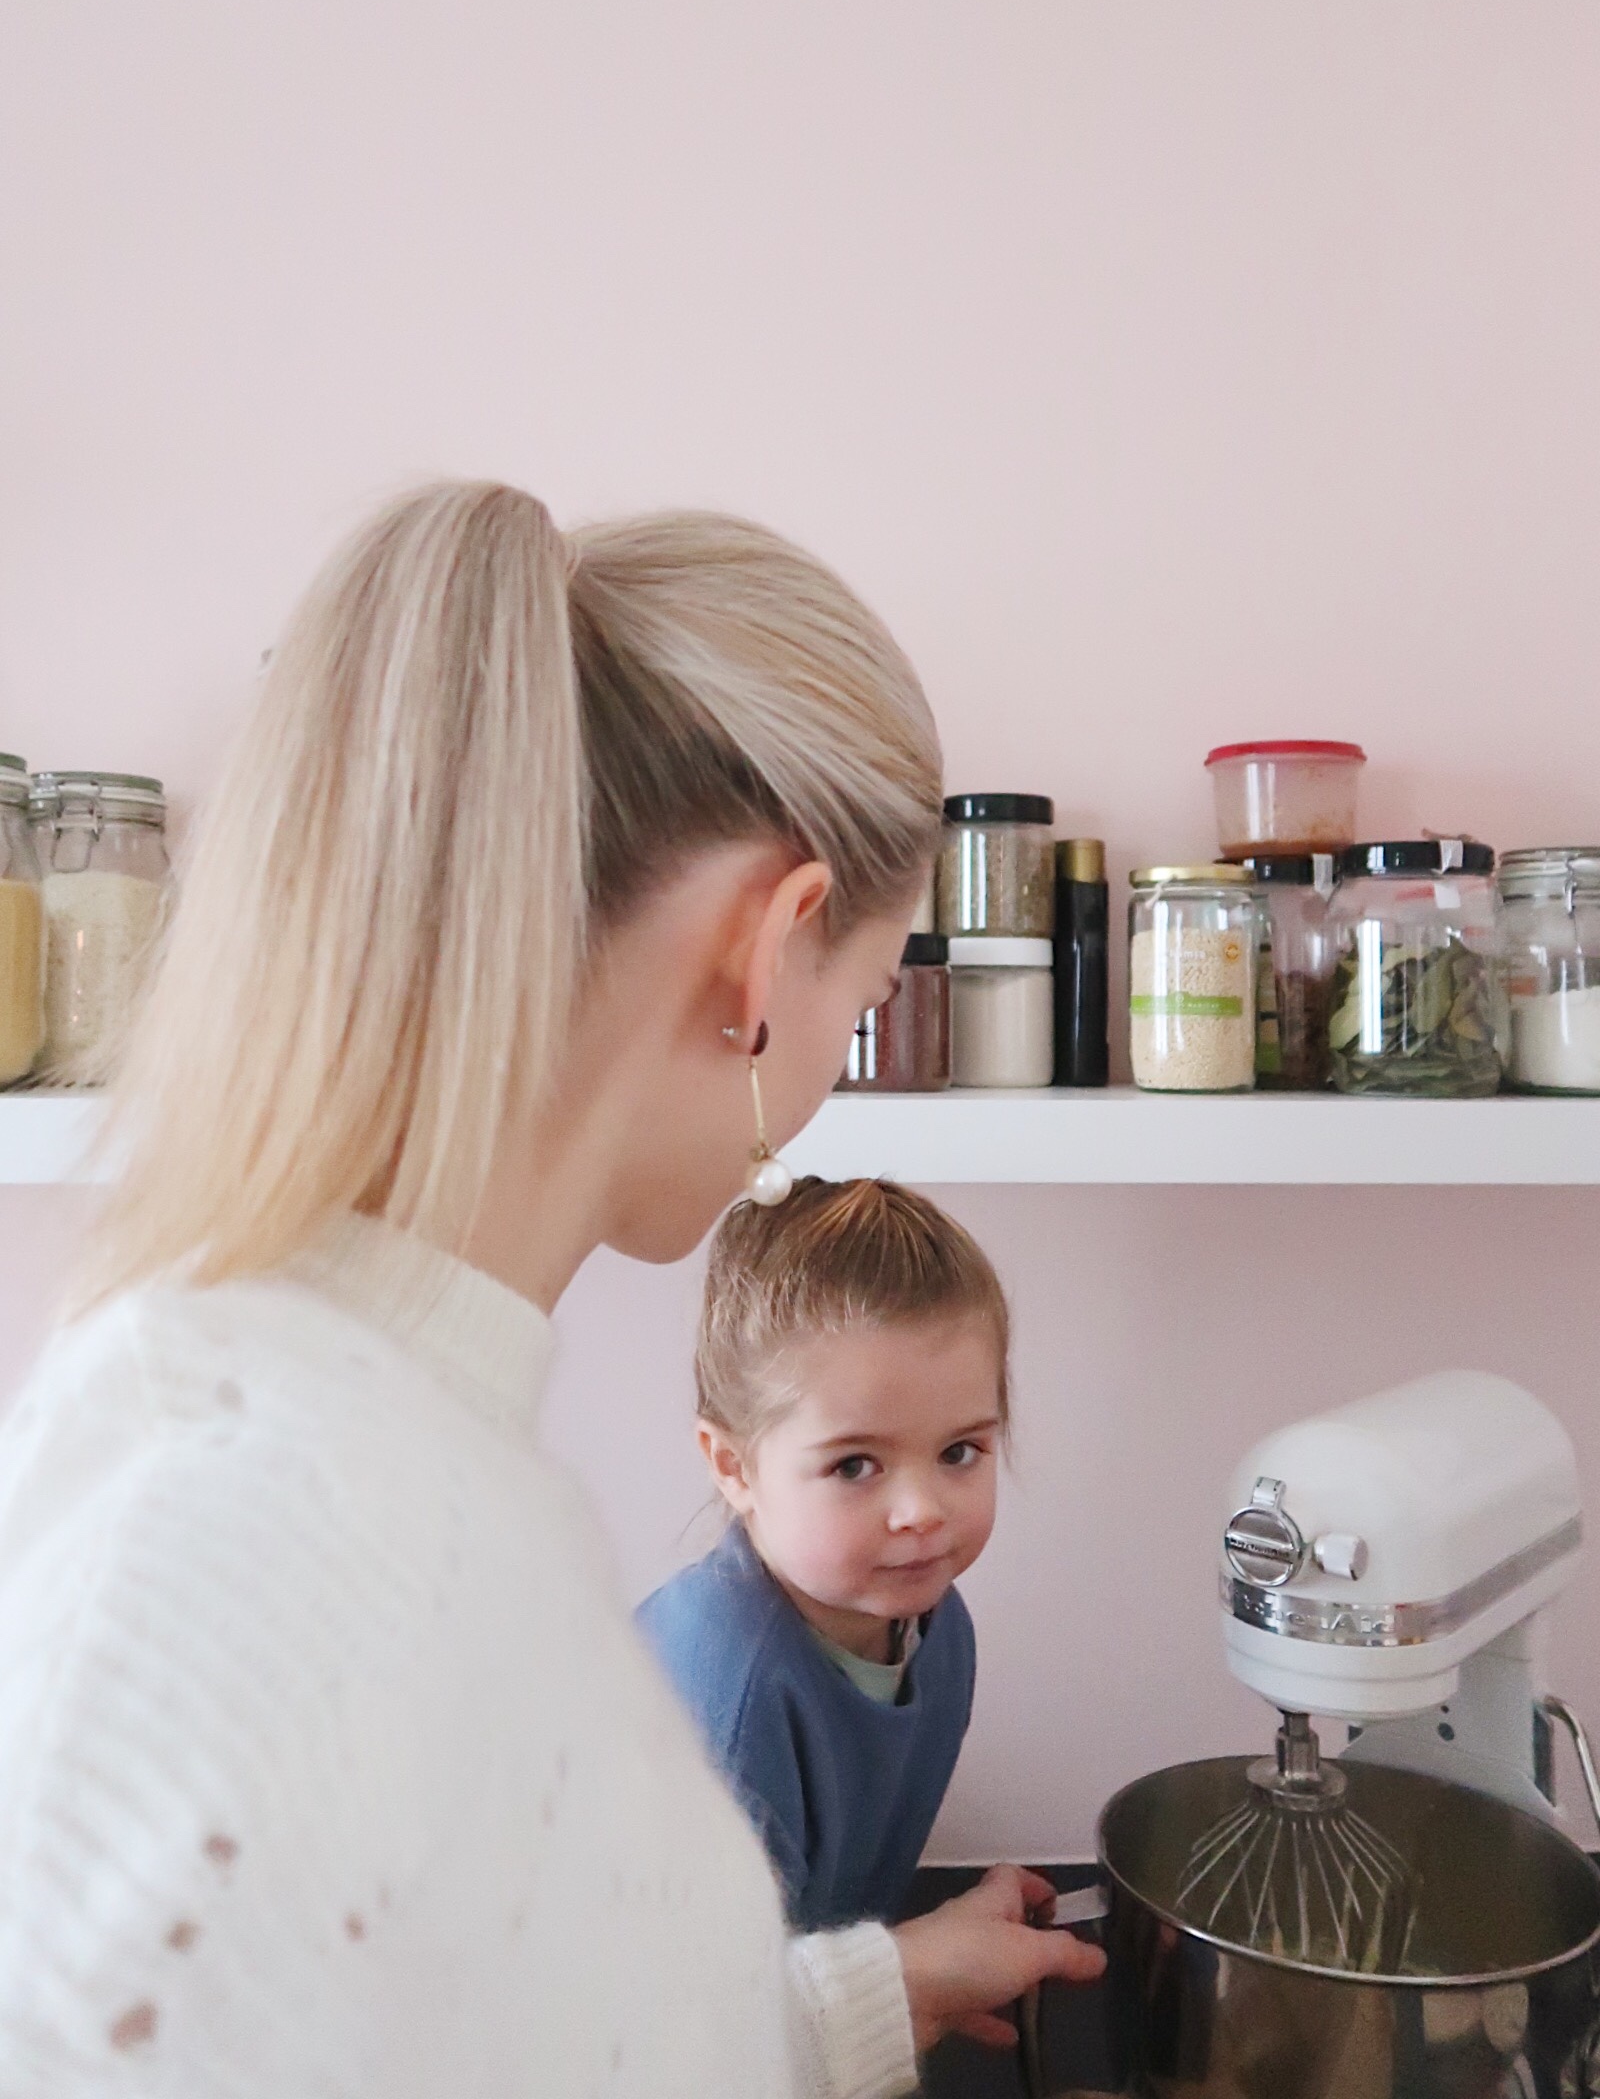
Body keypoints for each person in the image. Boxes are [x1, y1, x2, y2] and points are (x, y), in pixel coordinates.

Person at [0, 483, 1100, 2098]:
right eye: (863, 998)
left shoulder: (383, 1430)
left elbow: (531, 2026)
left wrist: (873, 1998)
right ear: (768, 950)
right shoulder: (242, 1526)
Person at [639, 1177, 1005, 1933]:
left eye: (959, 1451)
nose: (922, 1511)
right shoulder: (723, 1710)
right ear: (734, 1467)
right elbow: (688, 1994)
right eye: (854, 1465)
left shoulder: (936, 1629)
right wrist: (923, 1971)